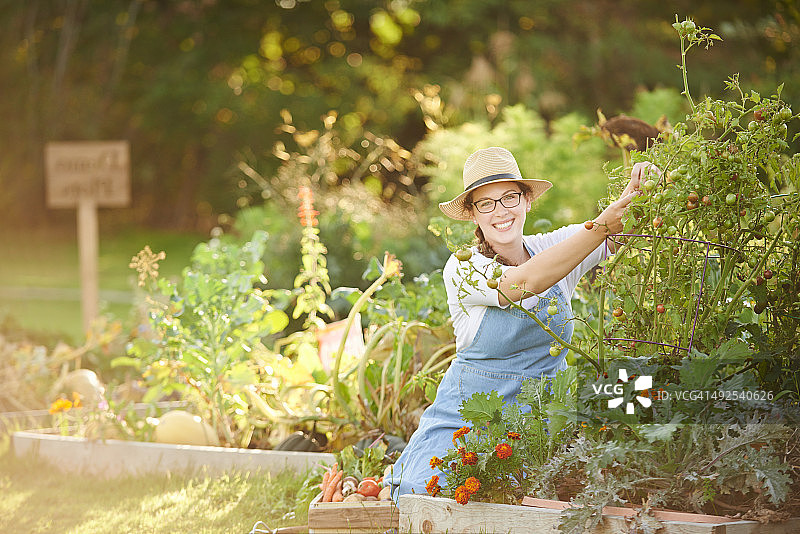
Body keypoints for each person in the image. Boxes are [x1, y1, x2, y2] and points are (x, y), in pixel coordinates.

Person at [387, 146, 649, 499]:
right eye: (486, 203)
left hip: (538, 429)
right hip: (468, 424)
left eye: (509, 197)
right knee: (431, 500)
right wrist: (602, 226)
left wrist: (640, 195)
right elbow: (521, 284)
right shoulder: (464, 267)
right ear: (473, 215)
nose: (500, 211)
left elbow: (616, 234)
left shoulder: (552, 248)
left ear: (527, 201)